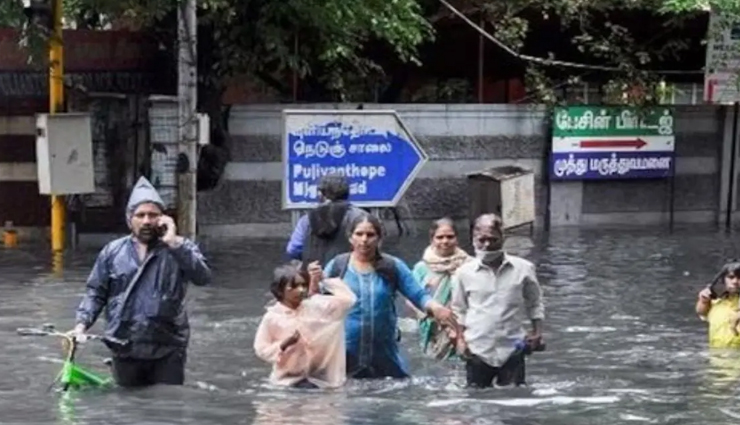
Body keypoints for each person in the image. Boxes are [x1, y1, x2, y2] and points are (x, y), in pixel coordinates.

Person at [69, 176, 212, 387]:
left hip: (167, 346)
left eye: (152, 215)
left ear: (162, 219)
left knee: (165, 407)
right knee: (127, 406)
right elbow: (95, 292)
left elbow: (203, 277)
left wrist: (174, 243)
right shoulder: (113, 252)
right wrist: (81, 326)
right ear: (130, 220)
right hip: (124, 344)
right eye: (140, 215)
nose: (146, 221)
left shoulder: (180, 248)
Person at [323, 214, 457, 379]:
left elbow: (418, 295)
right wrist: (314, 285)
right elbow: (316, 306)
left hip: (385, 357)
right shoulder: (337, 266)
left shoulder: (393, 266)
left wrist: (436, 308)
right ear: (350, 237)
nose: (364, 240)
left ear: (379, 238)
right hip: (343, 356)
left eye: (370, 235)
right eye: (359, 234)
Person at [451, 213, 545, 388]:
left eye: (492, 240)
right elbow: (459, 310)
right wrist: (460, 341)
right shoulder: (463, 273)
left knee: (513, 401)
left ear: (503, 237)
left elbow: (535, 303)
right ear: (473, 239)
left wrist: (537, 332)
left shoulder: (524, 269)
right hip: (477, 349)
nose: (487, 245)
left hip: (513, 347)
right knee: (476, 400)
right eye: (482, 240)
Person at [253, 260, 357, 389]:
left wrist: (324, 280)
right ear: (280, 290)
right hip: (286, 381)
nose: (301, 290)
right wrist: (284, 344)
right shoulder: (273, 317)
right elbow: (261, 349)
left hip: (320, 379)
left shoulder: (315, 306)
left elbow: (348, 300)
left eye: (304, 285)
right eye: (294, 287)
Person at [410, 218, 472, 360]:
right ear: (432, 239)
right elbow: (411, 296)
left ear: (457, 239)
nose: (445, 241)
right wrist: (431, 314)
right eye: (440, 237)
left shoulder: (470, 266)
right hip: (432, 326)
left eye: (450, 237)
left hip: (464, 326)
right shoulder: (421, 268)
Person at [285, 174, 365, 267]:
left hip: (314, 275)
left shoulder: (306, 220)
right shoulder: (361, 217)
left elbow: (293, 249)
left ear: (321, 194)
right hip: (349, 275)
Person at [696, 261, 740, 348]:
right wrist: (703, 301)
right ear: (723, 280)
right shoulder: (716, 301)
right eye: (731, 277)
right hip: (717, 353)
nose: (735, 281)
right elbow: (701, 312)